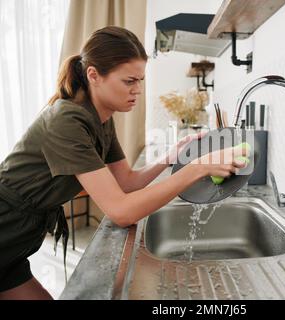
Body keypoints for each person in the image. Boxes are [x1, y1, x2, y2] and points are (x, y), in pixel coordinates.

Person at [0, 26, 248, 300]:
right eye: (129, 81)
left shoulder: (101, 118)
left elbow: (126, 182)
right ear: (94, 75)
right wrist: (197, 168)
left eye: (140, 80)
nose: (137, 90)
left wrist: (170, 158)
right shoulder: (67, 121)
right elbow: (120, 210)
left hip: (18, 241)